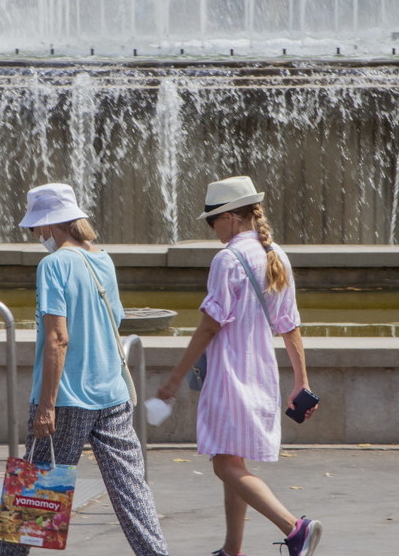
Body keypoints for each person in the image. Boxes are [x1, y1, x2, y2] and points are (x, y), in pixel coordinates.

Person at [156, 176, 321, 556]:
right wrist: (300, 381)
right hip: (261, 374)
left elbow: (210, 325)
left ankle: (295, 528)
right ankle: (232, 550)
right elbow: (290, 325)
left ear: (230, 217)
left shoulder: (227, 258)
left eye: (211, 220)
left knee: (223, 465)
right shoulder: (275, 254)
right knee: (234, 460)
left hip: (229, 375)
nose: (211, 228)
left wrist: (175, 378)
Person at [2, 183, 169, 556]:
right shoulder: (103, 260)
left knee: (35, 491)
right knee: (131, 490)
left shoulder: (53, 264)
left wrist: (46, 406)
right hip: (112, 394)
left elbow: (57, 338)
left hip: (67, 398)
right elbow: (118, 318)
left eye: (34, 228)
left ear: (48, 225)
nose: (33, 235)